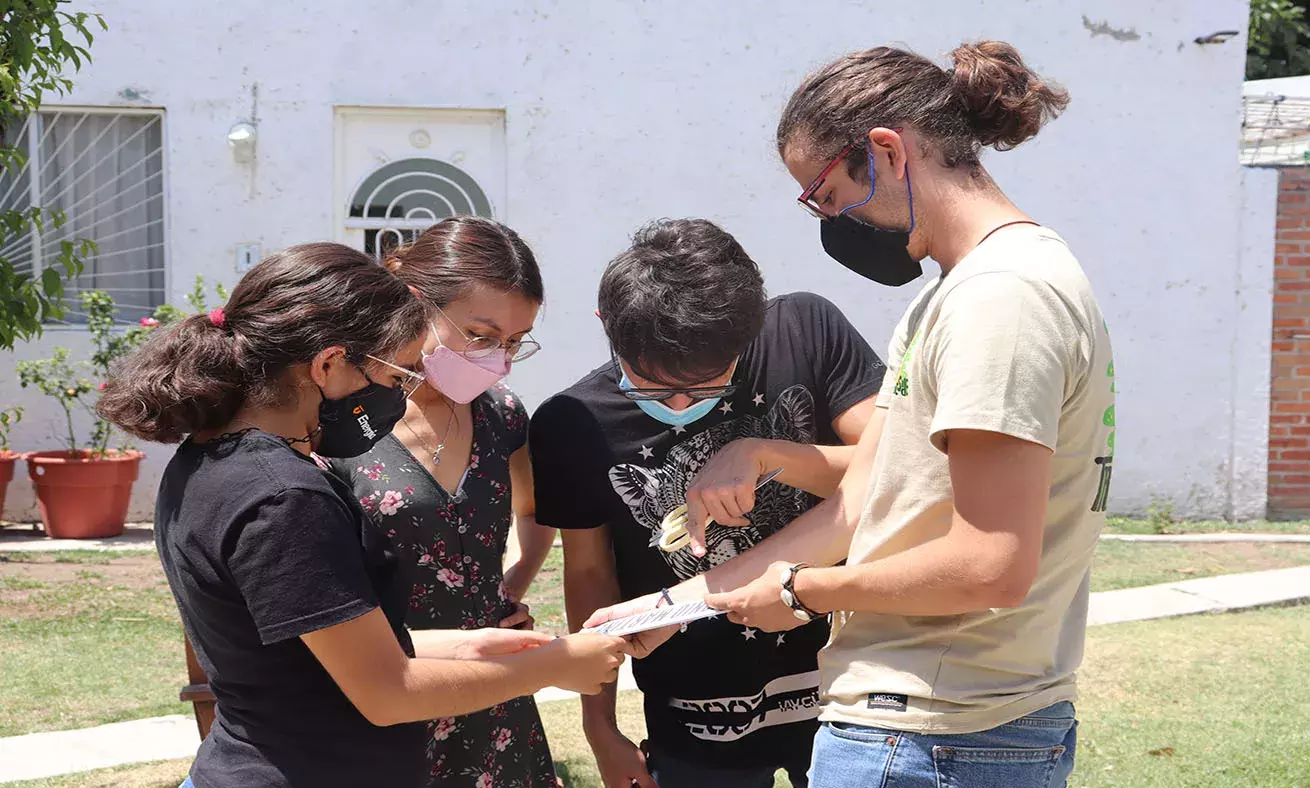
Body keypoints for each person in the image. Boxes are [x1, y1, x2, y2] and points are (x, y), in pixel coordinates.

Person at [586, 42, 1114, 788]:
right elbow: (861, 504)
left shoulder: (1002, 300)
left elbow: (991, 566)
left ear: (888, 152)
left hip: (940, 732)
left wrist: (803, 592)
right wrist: (678, 601)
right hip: (919, 723)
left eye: (827, 197)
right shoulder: (952, 295)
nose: (829, 222)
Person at [97, 243, 639, 788]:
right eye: (396, 374)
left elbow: (301, 650)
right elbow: (387, 692)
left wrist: (467, 645)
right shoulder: (286, 499)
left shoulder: (206, 461)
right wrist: (550, 668)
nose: (401, 397)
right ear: (328, 364)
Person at [529, 218, 885, 788]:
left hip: (845, 686)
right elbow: (590, 573)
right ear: (607, 328)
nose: (677, 402)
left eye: (706, 385)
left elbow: (901, 473)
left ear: (750, 333)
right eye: (649, 385)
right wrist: (601, 730)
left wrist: (769, 453)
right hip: (694, 711)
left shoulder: (805, 330)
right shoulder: (573, 424)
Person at [328, 217, 559, 786]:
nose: (497, 358)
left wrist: (511, 585)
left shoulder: (500, 413)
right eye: (480, 336)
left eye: (513, 343)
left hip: (494, 701)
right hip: (385, 688)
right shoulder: (336, 414)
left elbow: (533, 511)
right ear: (416, 302)